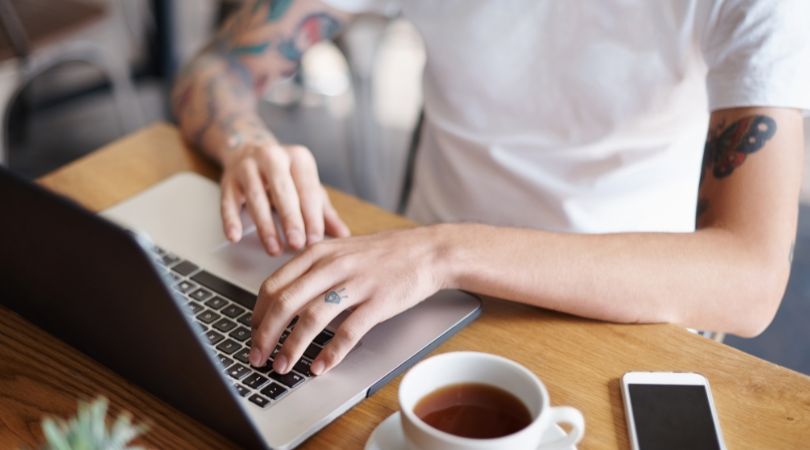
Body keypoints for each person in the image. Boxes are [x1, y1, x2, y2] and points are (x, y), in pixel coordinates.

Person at [172, 0, 810, 378]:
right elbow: (214, 69)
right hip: (418, 302)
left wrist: (443, 252)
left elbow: (749, 280)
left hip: (632, 310)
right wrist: (247, 144)